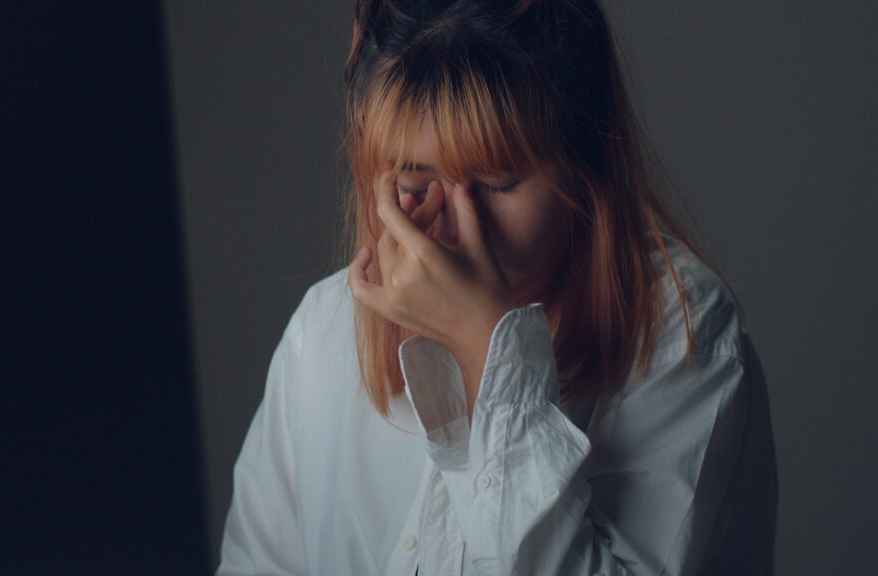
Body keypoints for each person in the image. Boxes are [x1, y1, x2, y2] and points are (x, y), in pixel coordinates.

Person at [217, 0, 778, 574]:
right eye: (414, 178)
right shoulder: (322, 331)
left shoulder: (682, 333)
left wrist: (490, 352)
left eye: (495, 182)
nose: (459, 227)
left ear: (583, 164)